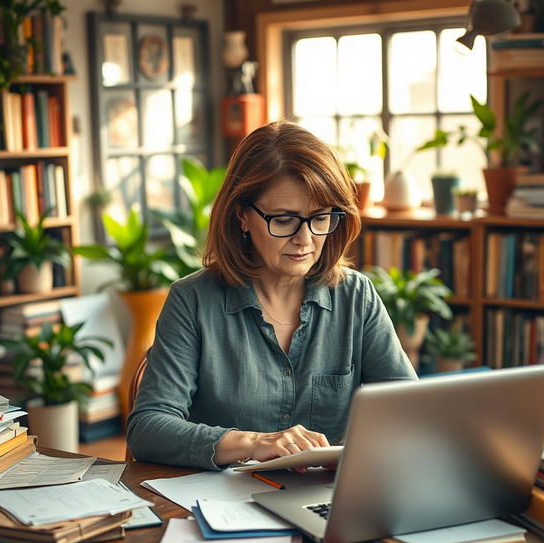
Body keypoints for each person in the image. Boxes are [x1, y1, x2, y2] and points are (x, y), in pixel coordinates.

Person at [127, 121, 417, 470]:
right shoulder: (193, 301)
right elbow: (148, 428)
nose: (305, 240)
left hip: (326, 500)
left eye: (320, 217)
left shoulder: (356, 297)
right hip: (223, 503)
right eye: (283, 220)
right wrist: (253, 443)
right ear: (242, 217)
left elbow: (408, 412)